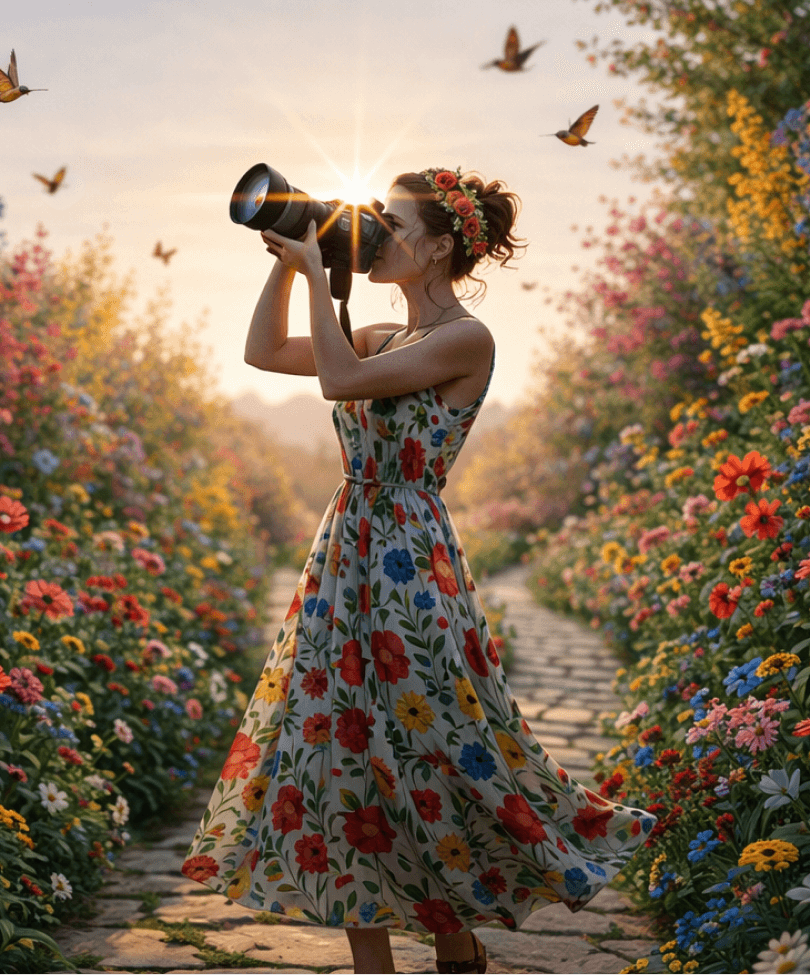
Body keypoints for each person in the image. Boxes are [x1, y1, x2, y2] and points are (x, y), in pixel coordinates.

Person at [182, 168, 656, 975]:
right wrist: (289, 260)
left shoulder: (466, 339)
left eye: (393, 224)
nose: (375, 235)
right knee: (336, 747)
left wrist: (315, 273)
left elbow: (338, 381)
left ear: (439, 247)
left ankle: (455, 934)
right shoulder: (377, 333)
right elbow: (263, 352)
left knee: (433, 747)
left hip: (410, 563)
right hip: (345, 554)